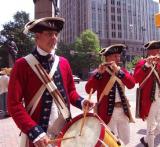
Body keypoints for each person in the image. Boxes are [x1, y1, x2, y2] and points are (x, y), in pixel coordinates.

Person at [7, 17, 93, 147]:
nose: (54, 38)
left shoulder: (64, 62)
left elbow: (70, 92)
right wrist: (34, 132)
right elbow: (14, 104)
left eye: (55, 34)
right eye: (48, 34)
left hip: (64, 131)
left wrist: (81, 102)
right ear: (37, 37)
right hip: (39, 135)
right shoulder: (22, 65)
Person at [85, 44, 135, 145]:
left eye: (118, 56)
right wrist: (99, 74)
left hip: (122, 110)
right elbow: (88, 89)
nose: (118, 58)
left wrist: (119, 72)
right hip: (108, 113)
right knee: (112, 142)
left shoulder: (122, 71)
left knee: (126, 140)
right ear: (107, 58)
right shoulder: (100, 72)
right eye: (115, 56)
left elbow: (131, 84)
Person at [133, 40, 160, 147]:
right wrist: (146, 65)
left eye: (159, 50)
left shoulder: (159, 63)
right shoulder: (142, 63)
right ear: (150, 52)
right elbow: (136, 79)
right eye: (157, 50)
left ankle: (146, 139)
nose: (159, 52)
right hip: (148, 101)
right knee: (150, 128)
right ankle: (149, 142)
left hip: (159, 99)